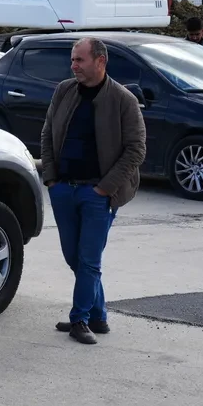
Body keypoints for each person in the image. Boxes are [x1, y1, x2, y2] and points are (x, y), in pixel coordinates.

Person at [40, 37, 146, 345]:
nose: (73, 65)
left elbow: (136, 149)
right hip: (63, 189)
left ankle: (80, 319)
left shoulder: (123, 100)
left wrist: (104, 188)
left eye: (80, 60)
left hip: (98, 194)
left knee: (88, 261)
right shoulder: (64, 91)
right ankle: (98, 316)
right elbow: (47, 134)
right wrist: (52, 180)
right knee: (74, 257)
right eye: (72, 60)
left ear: (100, 61)